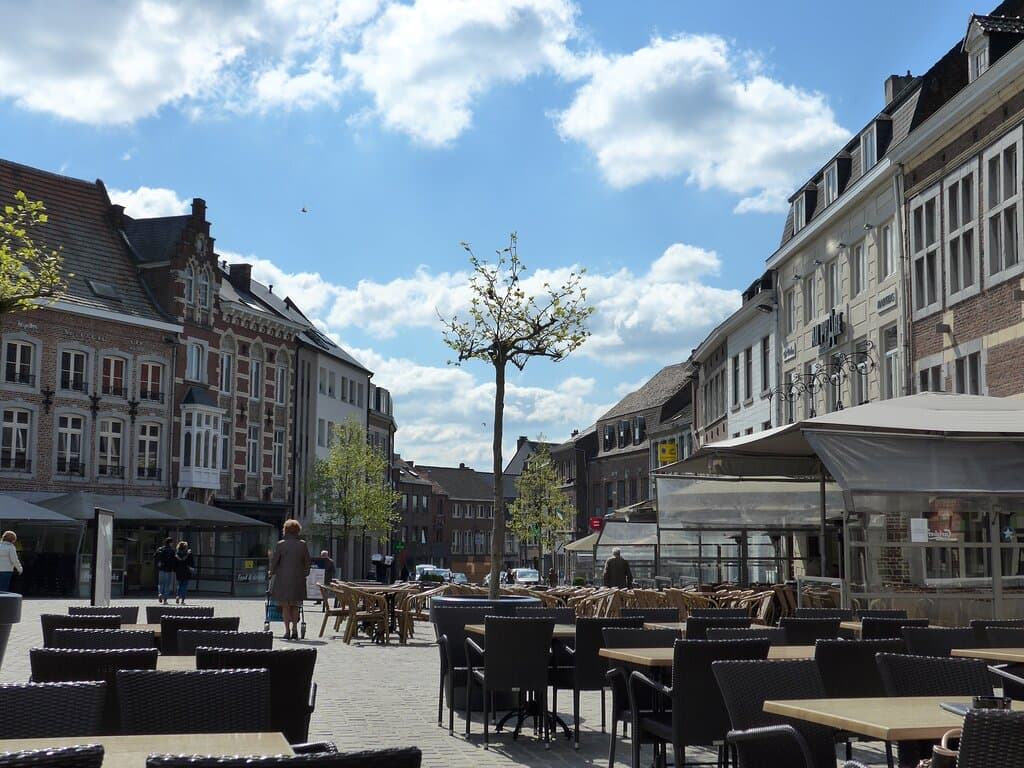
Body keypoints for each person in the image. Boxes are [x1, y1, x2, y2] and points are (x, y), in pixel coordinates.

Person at [269, 519, 311, 640]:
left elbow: (275, 561)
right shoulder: (303, 544)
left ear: (285, 530)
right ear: (298, 530)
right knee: (295, 606)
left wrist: (271, 572)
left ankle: (287, 631)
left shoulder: (281, 544)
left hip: (283, 580)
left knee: (285, 606)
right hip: (298, 580)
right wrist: (305, 573)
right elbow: (307, 562)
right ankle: (295, 629)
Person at [155, 537, 176, 604]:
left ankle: (160, 593)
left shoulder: (160, 549)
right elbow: (173, 560)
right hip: (168, 569)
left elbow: (155, 556)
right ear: (170, 543)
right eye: (172, 542)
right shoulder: (172, 551)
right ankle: (165, 599)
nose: (172, 544)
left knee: (160, 583)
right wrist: (173, 568)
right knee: (167, 584)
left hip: (161, 568)